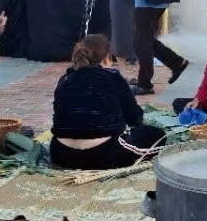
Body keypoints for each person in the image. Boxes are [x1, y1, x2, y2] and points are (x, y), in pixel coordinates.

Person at [51, 33, 166, 169]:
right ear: (107, 58)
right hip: (104, 155)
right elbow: (134, 119)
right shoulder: (113, 77)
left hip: (60, 154)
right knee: (159, 136)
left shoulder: (64, 79)